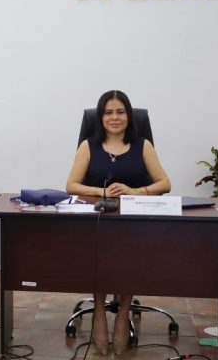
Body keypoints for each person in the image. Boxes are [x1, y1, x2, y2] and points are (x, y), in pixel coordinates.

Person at [65, 90, 171, 355]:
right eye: (108, 112)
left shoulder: (142, 145)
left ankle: (123, 313)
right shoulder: (88, 146)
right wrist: (102, 192)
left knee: (129, 256)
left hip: (132, 222)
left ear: (129, 116)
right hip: (98, 219)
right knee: (98, 255)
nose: (114, 117)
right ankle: (99, 312)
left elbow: (164, 183)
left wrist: (136, 192)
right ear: (100, 118)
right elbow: (71, 185)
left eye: (120, 112)